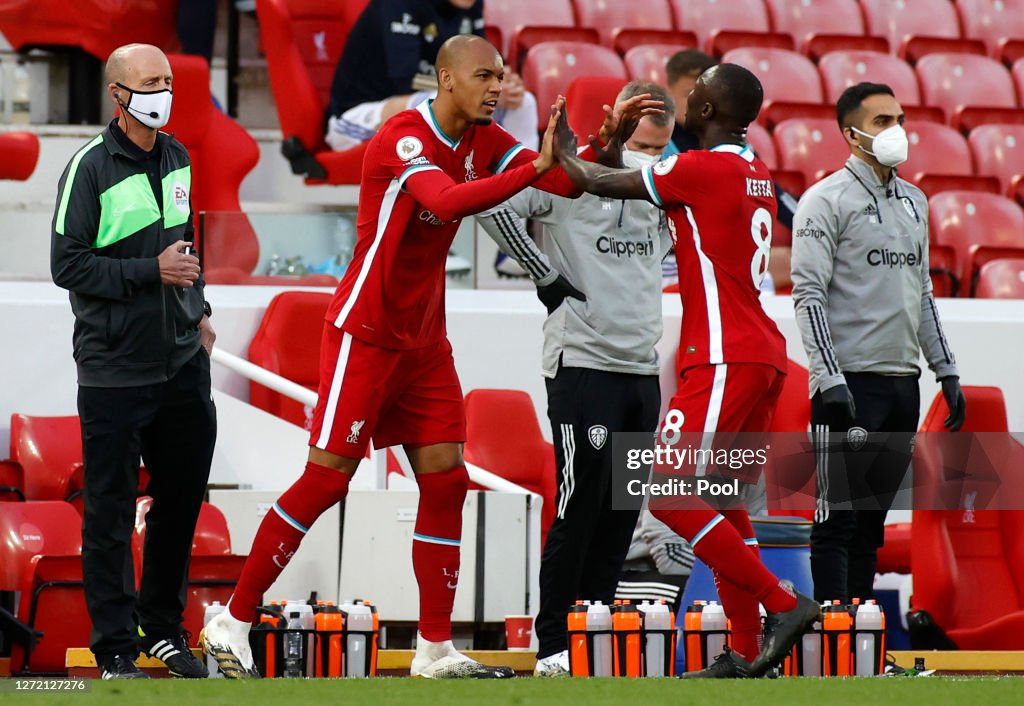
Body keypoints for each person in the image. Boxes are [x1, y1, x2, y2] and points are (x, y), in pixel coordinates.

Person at [201, 34, 654, 679]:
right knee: (327, 480)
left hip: (423, 343)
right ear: (444, 79)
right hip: (365, 332)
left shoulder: (486, 138)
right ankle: (233, 622)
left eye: (501, 76)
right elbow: (444, 200)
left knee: (447, 482)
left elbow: (560, 182)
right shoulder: (403, 137)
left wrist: (600, 146)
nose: (497, 87)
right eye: (483, 76)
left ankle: (434, 649)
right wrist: (533, 169)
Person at [551, 63, 821, 679]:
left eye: (693, 93)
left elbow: (596, 179)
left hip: (723, 353)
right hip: (763, 356)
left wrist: (566, 148)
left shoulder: (697, 168)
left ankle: (783, 605)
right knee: (725, 503)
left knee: (668, 493)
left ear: (703, 113)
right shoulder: (757, 172)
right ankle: (751, 655)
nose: (684, 95)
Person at [477, 80, 674, 677]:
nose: (650, 153)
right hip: (582, 364)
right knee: (576, 505)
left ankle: (594, 636)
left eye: (660, 141)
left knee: (621, 513)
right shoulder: (569, 175)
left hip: (642, 368)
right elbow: (490, 203)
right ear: (613, 118)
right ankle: (553, 645)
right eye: (641, 134)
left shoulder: (664, 184)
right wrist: (543, 275)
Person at [50, 44, 216, 680]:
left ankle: (164, 630)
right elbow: (67, 265)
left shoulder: (178, 156)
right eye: (151, 82)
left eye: (168, 80)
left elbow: (186, 244)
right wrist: (153, 271)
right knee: (111, 512)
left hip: (180, 365)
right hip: (115, 370)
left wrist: (198, 309)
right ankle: (115, 644)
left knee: (180, 501)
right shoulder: (88, 168)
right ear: (118, 94)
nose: (164, 91)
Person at [790, 82, 965, 605]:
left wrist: (946, 368)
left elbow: (923, 291)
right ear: (851, 133)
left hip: (901, 386)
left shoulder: (915, 201)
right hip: (848, 386)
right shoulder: (825, 200)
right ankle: (832, 645)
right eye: (883, 120)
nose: (897, 130)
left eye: (900, 118)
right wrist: (829, 378)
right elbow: (808, 295)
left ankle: (861, 645)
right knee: (837, 520)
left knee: (872, 525)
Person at [326, 0, 537, 152]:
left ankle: (522, 201)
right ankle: (443, 198)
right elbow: (407, 81)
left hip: (428, 106)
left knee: (522, 103)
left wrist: (503, 82)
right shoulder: (401, 4)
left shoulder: (471, 5)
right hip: (356, 120)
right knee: (432, 103)